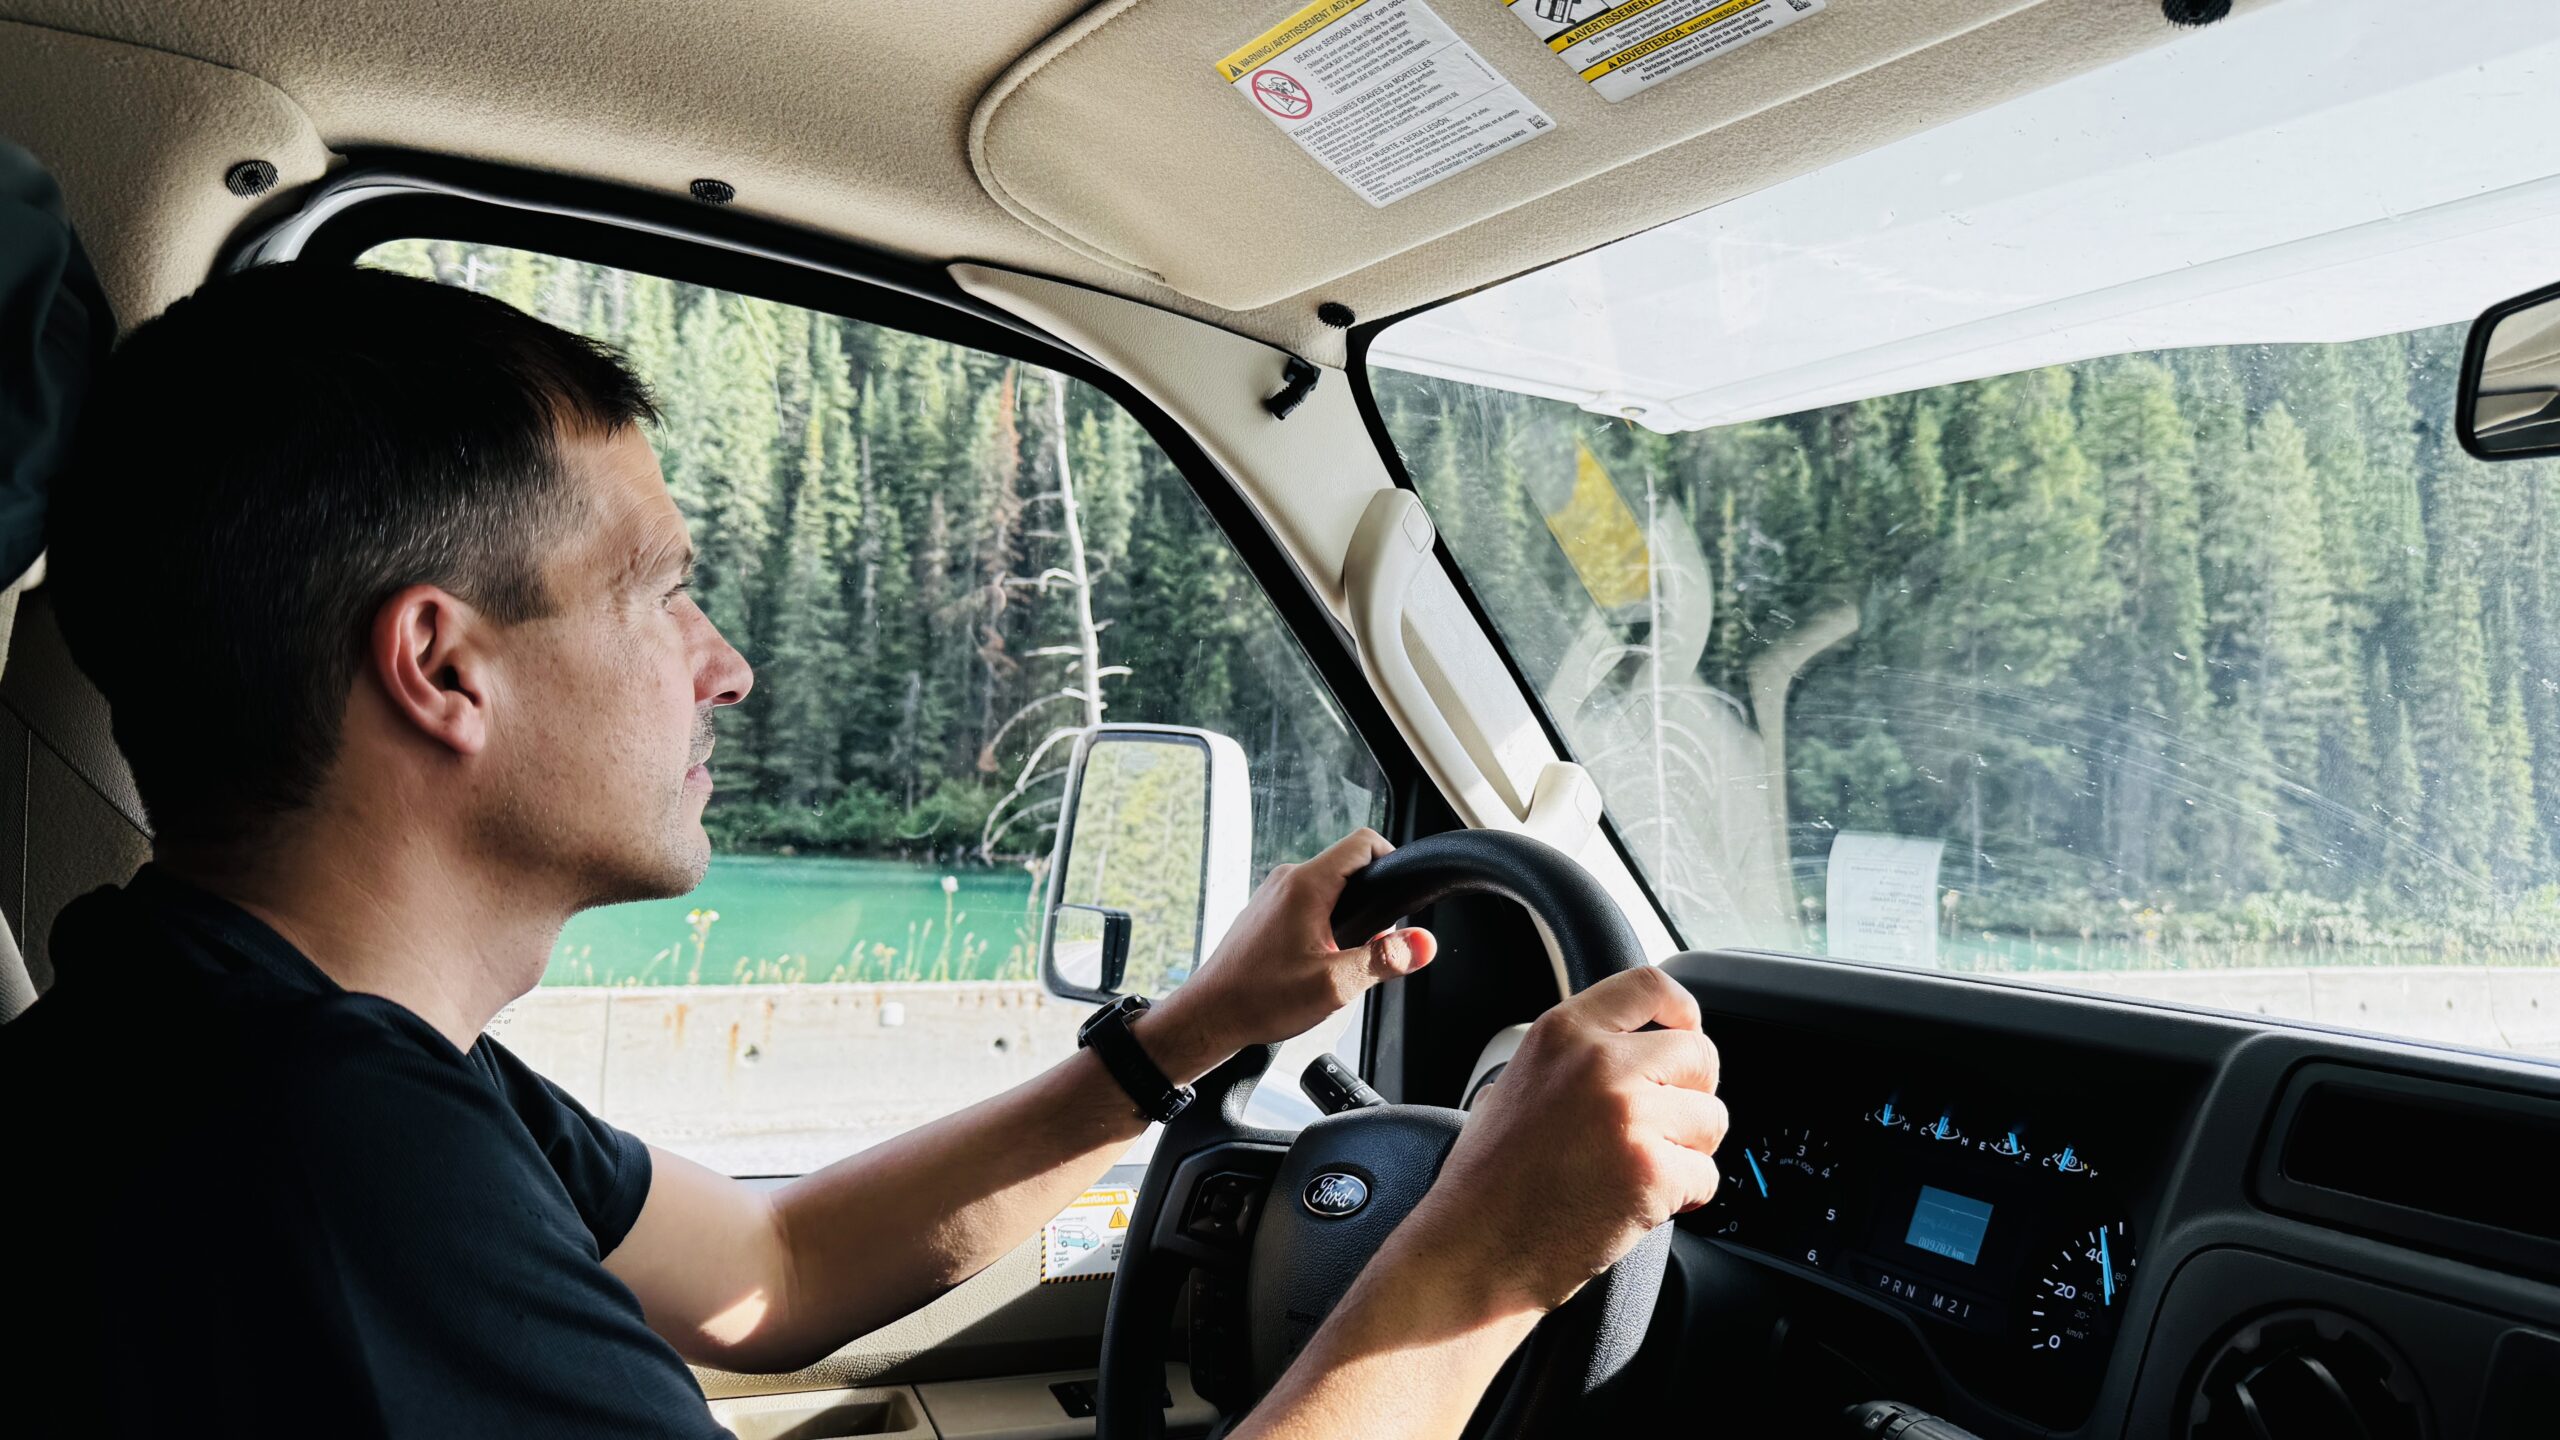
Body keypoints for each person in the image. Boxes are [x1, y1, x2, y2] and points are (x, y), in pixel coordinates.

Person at [0, 262, 1727, 1437]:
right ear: (444, 667)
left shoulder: (242, 1029)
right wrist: (1484, 1262)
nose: (726, 663)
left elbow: (771, 1279)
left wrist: (1189, 1033)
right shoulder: (316, 1166)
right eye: (663, 591)